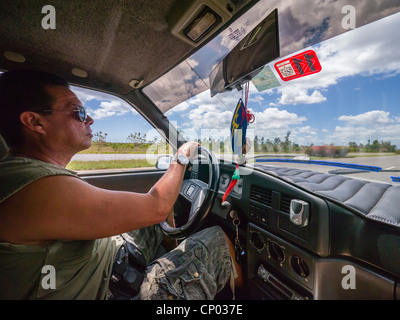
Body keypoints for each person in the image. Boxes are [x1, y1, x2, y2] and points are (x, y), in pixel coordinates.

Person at [0, 69, 243, 300]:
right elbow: (157, 205)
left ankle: (179, 263)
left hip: (111, 262)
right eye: (79, 113)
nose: (91, 118)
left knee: (158, 214)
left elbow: (157, 208)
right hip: (112, 291)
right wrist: (182, 155)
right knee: (217, 240)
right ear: (35, 122)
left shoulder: (28, 175)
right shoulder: (37, 188)